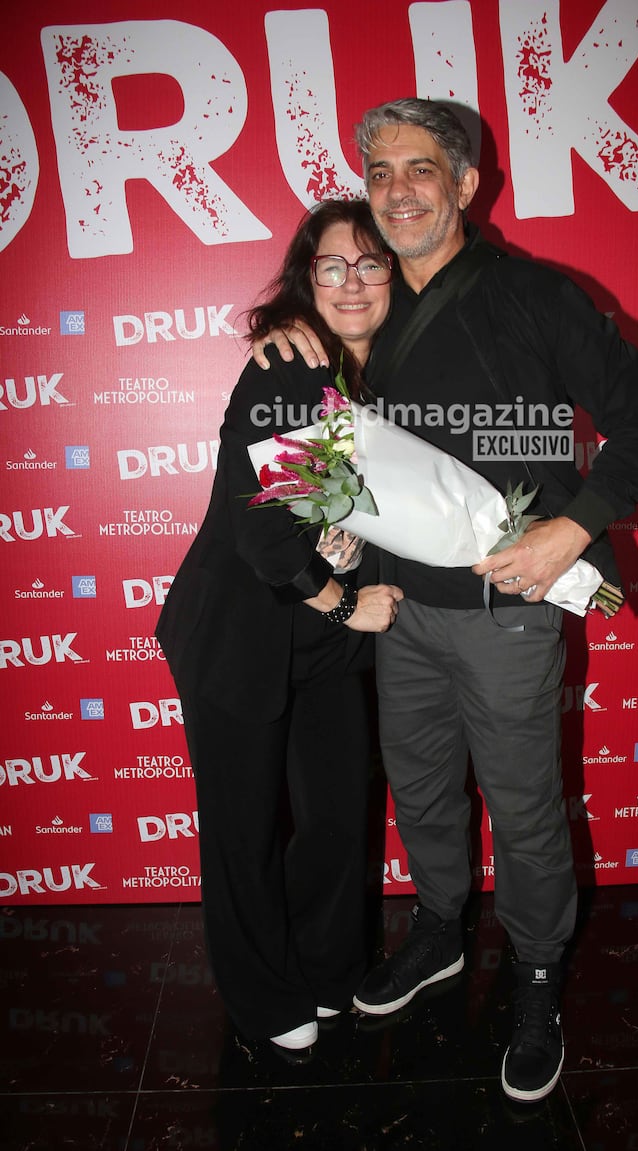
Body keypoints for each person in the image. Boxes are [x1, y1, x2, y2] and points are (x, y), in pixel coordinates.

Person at [252, 98, 638, 1100]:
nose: (396, 189)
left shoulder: (535, 295)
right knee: (421, 788)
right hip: (398, 608)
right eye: (380, 172)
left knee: (525, 808)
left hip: (507, 612)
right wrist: (278, 343)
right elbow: (304, 416)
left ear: (463, 186)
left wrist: (570, 528)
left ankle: (533, 973)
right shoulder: (360, 306)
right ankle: (439, 928)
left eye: (418, 169)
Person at [155, 199, 403, 1055]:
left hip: (325, 638)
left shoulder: (396, 376)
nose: (352, 282)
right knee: (244, 825)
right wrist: (341, 599)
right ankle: (263, 994)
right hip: (240, 631)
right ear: (306, 278)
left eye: (371, 263)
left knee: (337, 815)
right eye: (331, 265)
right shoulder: (288, 370)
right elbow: (261, 529)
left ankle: (328, 969)